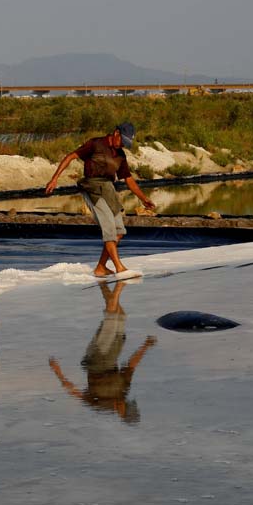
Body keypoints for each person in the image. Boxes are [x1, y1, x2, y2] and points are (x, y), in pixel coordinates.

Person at [44, 122, 156, 277]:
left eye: (126, 143)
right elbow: (71, 156)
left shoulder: (120, 155)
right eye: (122, 141)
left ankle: (101, 267)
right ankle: (119, 267)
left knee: (118, 231)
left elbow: (129, 180)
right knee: (109, 228)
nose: (122, 145)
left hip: (109, 189)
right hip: (92, 187)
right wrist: (54, 179)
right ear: (116, 133)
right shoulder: (96, 144)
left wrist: (144, 199)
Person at [48, 280, 157, 424]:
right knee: (120, 315)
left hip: (97, 358)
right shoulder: (123, 391)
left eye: (126, 407)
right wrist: (145, 345)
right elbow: (131, 365)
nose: (123, 404)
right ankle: (103, 284)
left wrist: (58, 372)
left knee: (112, 315)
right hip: (113, 353)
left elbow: (76, 393)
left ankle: (118, 285)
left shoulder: (100, 404)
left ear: (121, 414)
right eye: (128, 404)